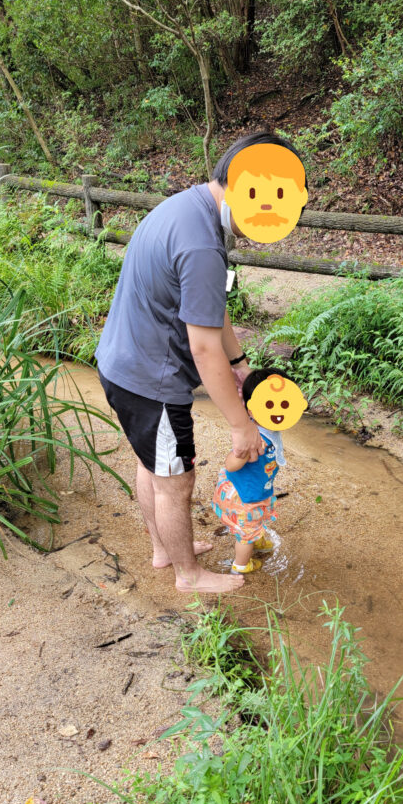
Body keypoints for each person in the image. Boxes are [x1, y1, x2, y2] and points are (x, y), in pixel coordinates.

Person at [94, 132, 308, 594]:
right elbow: (203, 348)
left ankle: (163, 548)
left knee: (153, 463)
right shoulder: (203, 246)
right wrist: (241, 425)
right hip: (153, 380)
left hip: (120, 364)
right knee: (178, 480)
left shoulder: (187, 207)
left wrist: (243, 364)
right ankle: (187, 575)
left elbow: (212, 308)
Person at [212, 368, 307, 575]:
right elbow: (230, 465)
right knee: (245, 533)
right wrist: (239, 454)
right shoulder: (253, 438)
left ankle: (256, 535)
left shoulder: (270, 426)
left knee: (256, 520)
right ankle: (241, 565)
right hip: (243, 495)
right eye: (270, 405)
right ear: (251, 410)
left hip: (256, 487)